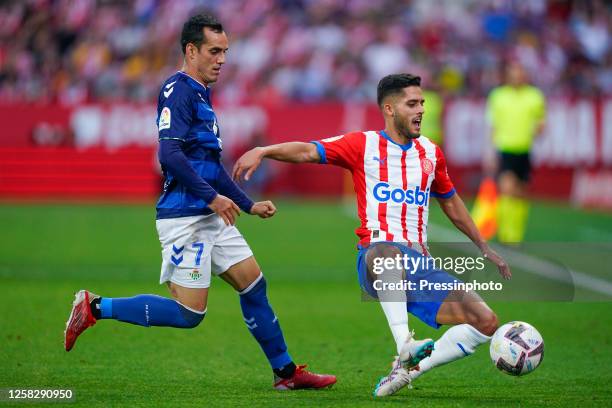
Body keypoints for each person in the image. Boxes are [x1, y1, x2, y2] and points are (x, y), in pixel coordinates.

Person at [63, 14, 336, 391]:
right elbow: (169, 155)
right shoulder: (178, 91)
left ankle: (286, 374)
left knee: (254, 285)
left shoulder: (203, 96)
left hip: (208, 214)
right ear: (191, 51)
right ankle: (93, 307)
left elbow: (212, 166)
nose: (222, 59)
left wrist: (248, 204)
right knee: (190, 314)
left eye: (225, 51)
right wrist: (212, 199)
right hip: (184, 218)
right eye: (214, 51)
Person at [232, 74, 511, 397]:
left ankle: (409, 368)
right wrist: (264, 150)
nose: (420, 110)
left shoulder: (431, 154)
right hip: (375, 260)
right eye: (412, 104)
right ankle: (404, 343)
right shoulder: (362, 145)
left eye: (422, 103)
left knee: (486, 321)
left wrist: (482, 245)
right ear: (389, 109)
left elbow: (450, 200)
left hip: (421, 266)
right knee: (385, 251)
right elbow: (309, 151)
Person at [486, 61, 546, 243]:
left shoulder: (534, 96)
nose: (516, 77)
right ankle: (506, 234)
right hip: (505, 149)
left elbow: (541, 121)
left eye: (519, 74)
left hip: (525, 149)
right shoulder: (498, 96)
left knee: (521, 192)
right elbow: (493, 126)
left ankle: (516, 234)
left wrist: (538, 129)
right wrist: (490, 151)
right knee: (507, 189)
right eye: (513, 74)